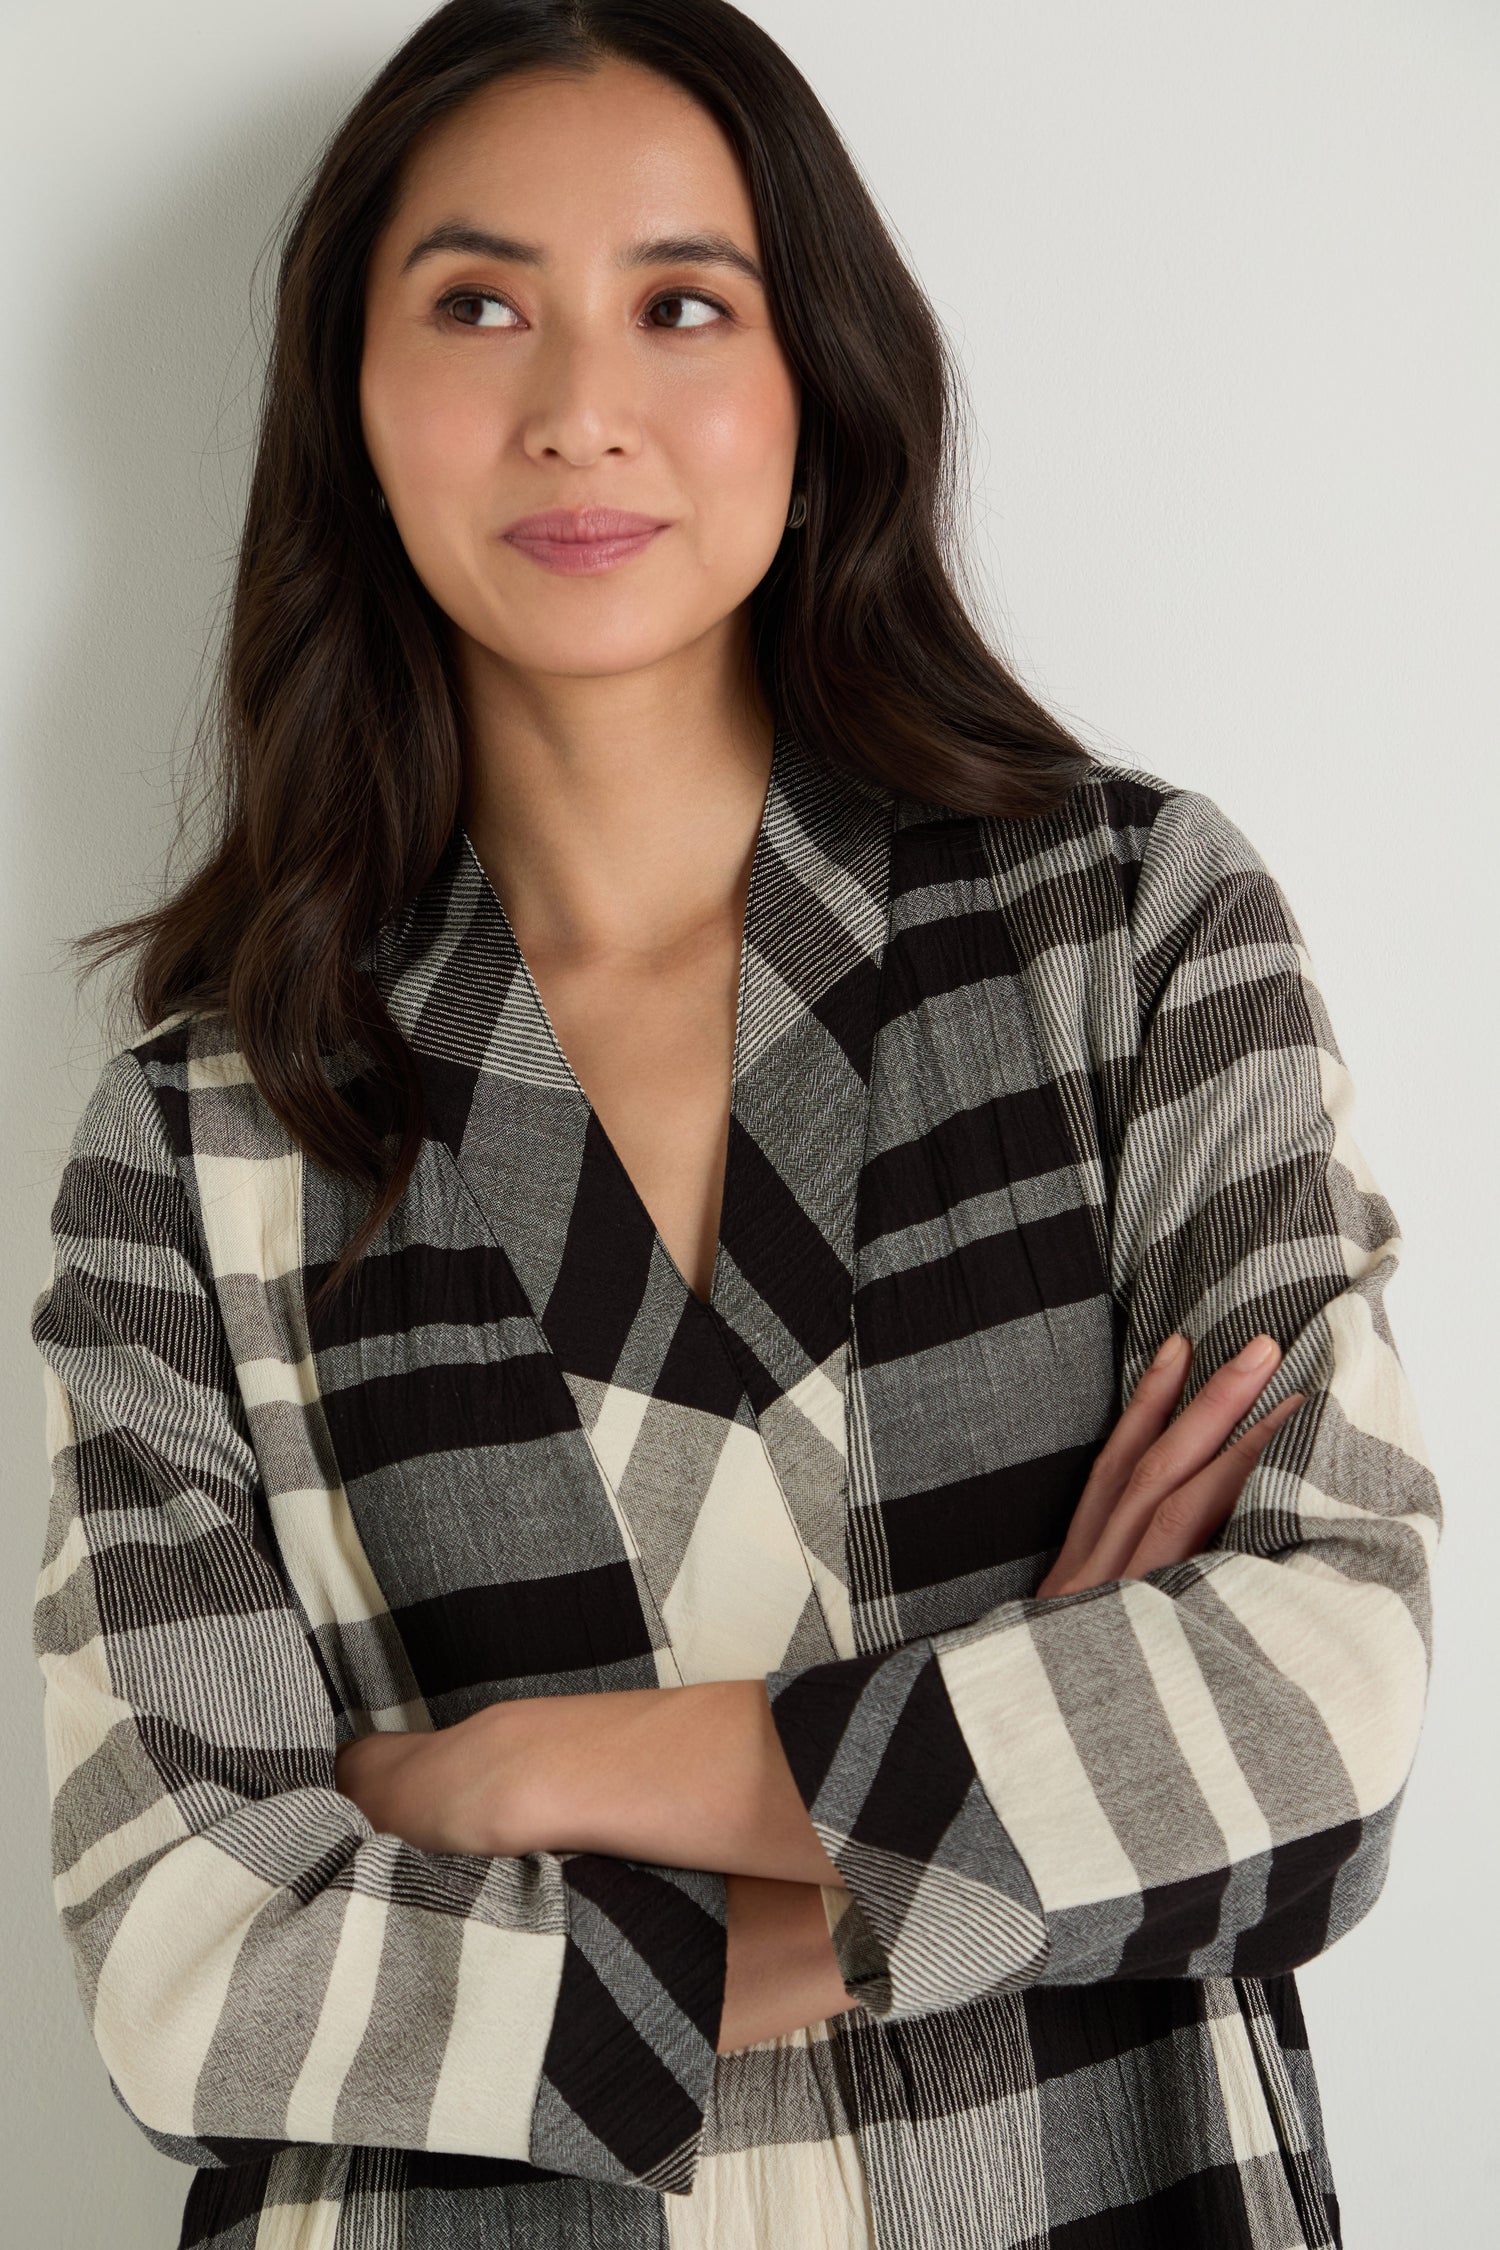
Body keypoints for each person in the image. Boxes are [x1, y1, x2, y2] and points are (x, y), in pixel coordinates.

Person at [29, 3, 1438, 2246]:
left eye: (683, 304)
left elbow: (1318, 1728)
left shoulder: (1129, 938)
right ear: (352, 403)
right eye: (478, 303)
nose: (578, 405)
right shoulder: (197, 1147)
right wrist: (1013, 1763)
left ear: (819, 388)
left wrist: (516, 1776)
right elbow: (203, 1982)